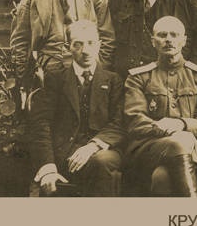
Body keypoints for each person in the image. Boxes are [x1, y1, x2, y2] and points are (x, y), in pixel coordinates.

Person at [124, 16, 197, 197]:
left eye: (174, 35)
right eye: (162, 35)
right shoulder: (138, 77)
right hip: (150, 147)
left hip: (194, 148)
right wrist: (173, 133)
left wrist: (181, 124)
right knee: (176, 144)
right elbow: (135, 122)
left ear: (184, 40)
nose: (168, 39)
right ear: (153, 41)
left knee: (162, 177)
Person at [29, 20, 125, 197]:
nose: (86, 50)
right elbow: (40, 124)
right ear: (67, 48)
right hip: (66, 150)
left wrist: (93, 146)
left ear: (99, 45)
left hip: (105, 149)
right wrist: (48, 167)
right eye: (78, 45)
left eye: (91, 43)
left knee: (101, 161)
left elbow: (119, 122)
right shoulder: (55, 80)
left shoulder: (113, 80)